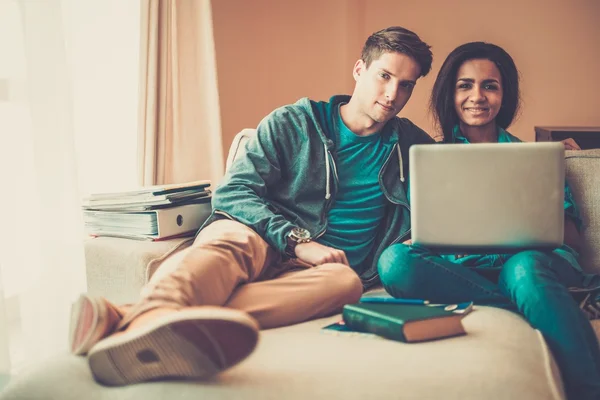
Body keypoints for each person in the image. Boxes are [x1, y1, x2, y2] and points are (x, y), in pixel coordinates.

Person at [69, 26, 435, 386]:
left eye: (406, 85)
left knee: (346, 283)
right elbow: (233, 193)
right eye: (384, 76)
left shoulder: (411, 146)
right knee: (233, 239)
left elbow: (459, 191)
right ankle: (155, 315)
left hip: (322, 271)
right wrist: (297, 241)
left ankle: (130, 316)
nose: (392, 94)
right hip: (263, 239)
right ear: (359, 70)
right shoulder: (294, 122)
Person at [377, 41, 600, 400]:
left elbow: (570, 239)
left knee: (523, 268)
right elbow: (427, 235)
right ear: (450, 93)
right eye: (465, 85)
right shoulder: (430, 159)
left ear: (504, 94)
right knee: (393, 261)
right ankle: (539, 304)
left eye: (489, 85)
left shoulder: (536, 158)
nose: (477, 96)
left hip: (535, 264)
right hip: (466, 272)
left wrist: (538, 201)